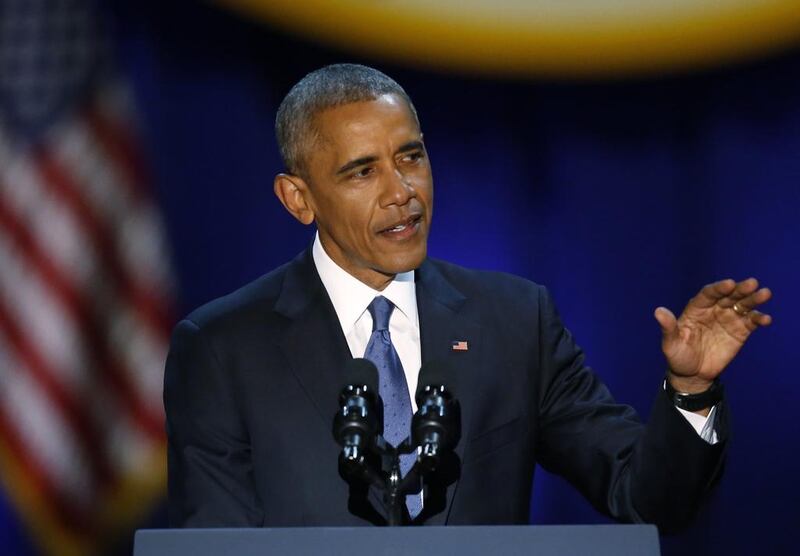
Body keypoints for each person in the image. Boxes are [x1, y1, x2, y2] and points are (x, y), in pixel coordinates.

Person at [163, 64, 772, 530]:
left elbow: (645, 499)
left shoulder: (515, 321)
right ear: (299, 199)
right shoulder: (222, 347)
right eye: (361, 171)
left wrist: (691, 391)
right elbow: (218, 540)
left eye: (411, 157)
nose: (401, 192)